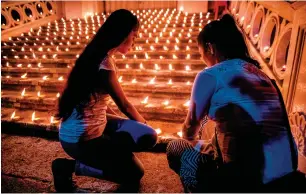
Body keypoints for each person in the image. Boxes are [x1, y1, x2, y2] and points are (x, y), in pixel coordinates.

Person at [166, 14, 298, 192]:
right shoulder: (263, 75)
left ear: (210, 48)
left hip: (240, 180)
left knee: (176, 147)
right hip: (284, 174)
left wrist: (191, 137)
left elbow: (190, 128)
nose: (202, 59)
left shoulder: (209, 75)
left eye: (201, 53)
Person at [51, 9, 158, 192]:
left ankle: (113, 150)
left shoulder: (96, 55)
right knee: (135, 171)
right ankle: (67, 167)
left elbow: (98, 103)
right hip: (82, 139)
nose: (135, 40)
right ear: (123, 34)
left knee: (146, 135)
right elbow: (125, 105)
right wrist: (143, 124)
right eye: (135, 35)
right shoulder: (104, 64)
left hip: (80, 129)